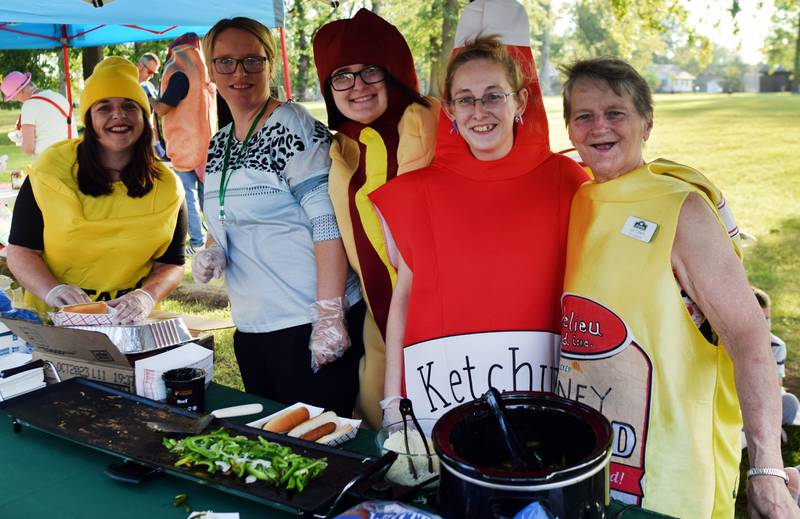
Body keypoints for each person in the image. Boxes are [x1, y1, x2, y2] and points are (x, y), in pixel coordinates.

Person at [557, 57, 797, 517]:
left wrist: (767, 468)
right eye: (583, 115)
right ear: (569, 130)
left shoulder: (681, 208)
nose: (599, 126)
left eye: (616, 112)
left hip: (673, 473)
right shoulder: (580, 199)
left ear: (646, 123)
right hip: (593, 458)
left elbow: (750, 339)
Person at [369, 5, 588, 425]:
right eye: (465, 100)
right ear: (449, 109)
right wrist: (393, 403)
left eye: (493, 96)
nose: (479, 111)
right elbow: (404, 302)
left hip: (545, 393)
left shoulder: (567, 181)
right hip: (442, 399)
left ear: (521, 100)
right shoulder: (418, 193)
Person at [191, 17, 364, 417]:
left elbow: (328, 223)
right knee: (275, 443)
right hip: (253, 326)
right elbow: (225, 217)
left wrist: (329, 315)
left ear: (270, 64)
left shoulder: (292, 126)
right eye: (226, 62)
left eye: (252, 60)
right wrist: (214, 250)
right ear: (211, 70)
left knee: (320, 447)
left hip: (305, 324)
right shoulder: (220, 143)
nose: (240, 73)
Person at [312, 9, 438, 430]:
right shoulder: (344, 146)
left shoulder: (429, 125)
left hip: (440, 322)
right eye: (341, 76)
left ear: (395, 72)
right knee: (376, 435)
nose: (358, 86)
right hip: (380, 319)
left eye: (370, 71)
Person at [5, 57, 186, 324]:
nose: (119, 115)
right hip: (55, 322)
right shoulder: (51, 171)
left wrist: (145, 296)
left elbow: (171, 264)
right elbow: (20, 251)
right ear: (89, 118)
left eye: (129, 106)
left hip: (128, 325)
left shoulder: (167, 186)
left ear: (143, 115)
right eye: (104, 107)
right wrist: (53, 291)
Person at [154, 32, 217, 255]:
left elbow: (164, 107)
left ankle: (198, 241)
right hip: (206, 143)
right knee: (207, 196)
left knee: (188, 195)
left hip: (187, 144)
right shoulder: (203, 69)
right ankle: (215, 238)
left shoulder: (180, 72)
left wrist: (150, 101)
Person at [1, 71, 77, 156]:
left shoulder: (29, 105)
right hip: (73, 155)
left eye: (15, 98)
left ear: (20, 91)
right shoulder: (59, 97)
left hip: (51, 161)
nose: (19, 101)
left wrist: (20, 141)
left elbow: (28, 149)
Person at [754, 287, 800, 426]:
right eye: (759, 319)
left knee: (789, 402)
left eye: (767, 319)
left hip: (764, 400)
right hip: (736, 401)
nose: (765, 324)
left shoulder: (777, 346)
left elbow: (775, 386)